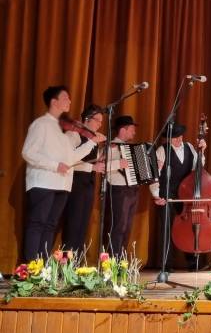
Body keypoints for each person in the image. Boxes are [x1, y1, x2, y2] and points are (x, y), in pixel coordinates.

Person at [21, 86, 106, 261]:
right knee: (38, 224)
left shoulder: (62, 129)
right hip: (43, 183)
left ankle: (43, 268)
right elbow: (28, 152)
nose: (69, 101)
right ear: (54, 102)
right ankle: (31, 268)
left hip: (62, 185)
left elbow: (71, 158)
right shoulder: (41, 124)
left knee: (50, 226)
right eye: (65, 97)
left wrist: (92, 143)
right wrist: (54, 165)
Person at [150, 124, 207, 270]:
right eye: (175, 138)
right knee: (166, 228)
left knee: (189, 227)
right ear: (169, 139)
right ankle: (166, 265)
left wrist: (202, 151)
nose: (179, 140)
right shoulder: (162, 150)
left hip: (186, 194)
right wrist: (156, 195)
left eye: (180, 137)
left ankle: (193, 263)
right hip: (167, 194)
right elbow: (155, 174)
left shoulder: (189, 147)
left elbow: (198, 167)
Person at [62, 104, 107, 252]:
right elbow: (69, 161)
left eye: (101, 121)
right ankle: (66, 262)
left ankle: (77, 261)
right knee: (73, 224)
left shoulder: (93, 138)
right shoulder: (73, 135)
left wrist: (102, 155)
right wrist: (92, 167)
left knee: (82, 225)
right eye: (97, 120)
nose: (100, 124)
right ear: (87, 119)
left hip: (88, 184)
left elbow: (93, 160)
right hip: (74, 184)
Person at [104, 115, 139, 255]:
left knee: (127, 227)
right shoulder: (110, 146)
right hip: (118, 190)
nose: (134, 132)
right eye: (132, 129)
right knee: (118, 226)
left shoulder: (130, 147)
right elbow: (101, 166)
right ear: (123, 130)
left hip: (132, 190)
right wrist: (119, 164)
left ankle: (120, 259)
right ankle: (113, 259)